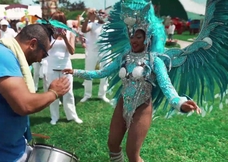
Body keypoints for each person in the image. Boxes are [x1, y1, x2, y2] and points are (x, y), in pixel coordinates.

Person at [63, 1, 202, 161]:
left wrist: (180, 104)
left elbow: (167, 87)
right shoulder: (124, 56)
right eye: (131, 36)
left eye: (138, 36)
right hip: (123, 104)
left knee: (132, 154)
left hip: (142, 108)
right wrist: (76, 71)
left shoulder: (154, 61)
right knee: (113, 145)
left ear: (147, 37)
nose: (133, 40)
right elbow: (102, 72)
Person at [0, 24, 71, 161]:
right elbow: (25, 105)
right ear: (33, 44)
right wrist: (53, 93)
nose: (41, 59)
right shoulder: (1, 56)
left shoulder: (1, 52)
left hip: (1, 149)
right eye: (44, 53)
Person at [44, 11, 82, 125]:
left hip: (65, 67)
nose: (56, 24)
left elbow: (72, 51)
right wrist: (55, 37)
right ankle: (54, 117)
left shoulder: (70, 33)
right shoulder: (48, 34)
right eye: (54, 21)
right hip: (52, 67)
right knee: (52, 92)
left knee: (68, 93)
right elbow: (45, 50)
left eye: (59, 21)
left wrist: (65, 38)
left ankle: (72, 116)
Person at [80, 8, 110, 103]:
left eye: (103, 13)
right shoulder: (93, 24)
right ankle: (87, 94)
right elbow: (84, 30)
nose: (101, 14)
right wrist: (88, 18)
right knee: (88, 72)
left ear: (106, 15)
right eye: (99, 13)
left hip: (105, 52)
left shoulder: (110, 26)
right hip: (93, 52)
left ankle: (102, 94)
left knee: (104, 74)